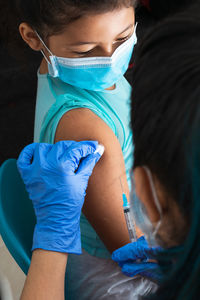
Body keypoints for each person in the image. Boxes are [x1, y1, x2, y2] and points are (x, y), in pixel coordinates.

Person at [17, 1, 200, 299]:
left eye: (123, 38)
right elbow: (133, 247)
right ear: (33, 37)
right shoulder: (83, 126)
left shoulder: (80, 76)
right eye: (86, 52)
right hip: (124, 277)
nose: (111, 59)